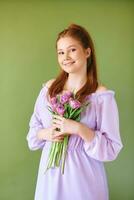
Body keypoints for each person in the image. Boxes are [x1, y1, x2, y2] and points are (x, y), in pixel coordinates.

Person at [26, 24, 123, 200]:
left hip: (84, 179)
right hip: (50, 177)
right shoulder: (49, 90)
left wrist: (79, 129)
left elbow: (111, 148)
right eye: (61, 52)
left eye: (72, 50)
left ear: (87, 52)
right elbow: (33, 132)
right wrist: (47, 133)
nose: (66, 57)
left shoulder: (101, 97)